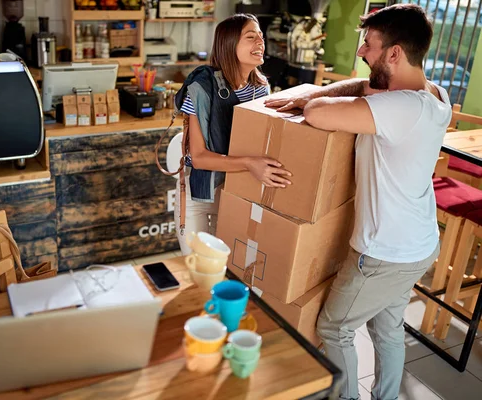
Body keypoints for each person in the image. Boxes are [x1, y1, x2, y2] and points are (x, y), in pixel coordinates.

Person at [265, 4, 451, 400]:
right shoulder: (434, 95)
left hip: (385, 252)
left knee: (335, 328)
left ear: (395, 53)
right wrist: (320, 93)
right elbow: (365, 88)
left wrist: (311, 99)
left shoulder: (401, 108)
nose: (361, 52)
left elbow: (317, 113)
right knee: (386, 328)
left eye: (369, 44)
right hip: (419, 243)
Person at [172, 14, 292, 255]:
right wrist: (250, 164)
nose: (260, 42)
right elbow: (198, 158)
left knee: (227, 268)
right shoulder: (202, 88)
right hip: (200, 194)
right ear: (228, 44)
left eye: (261, 36)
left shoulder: (260, 88)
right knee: (201, 269)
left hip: (237, 192)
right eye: (251, 37)